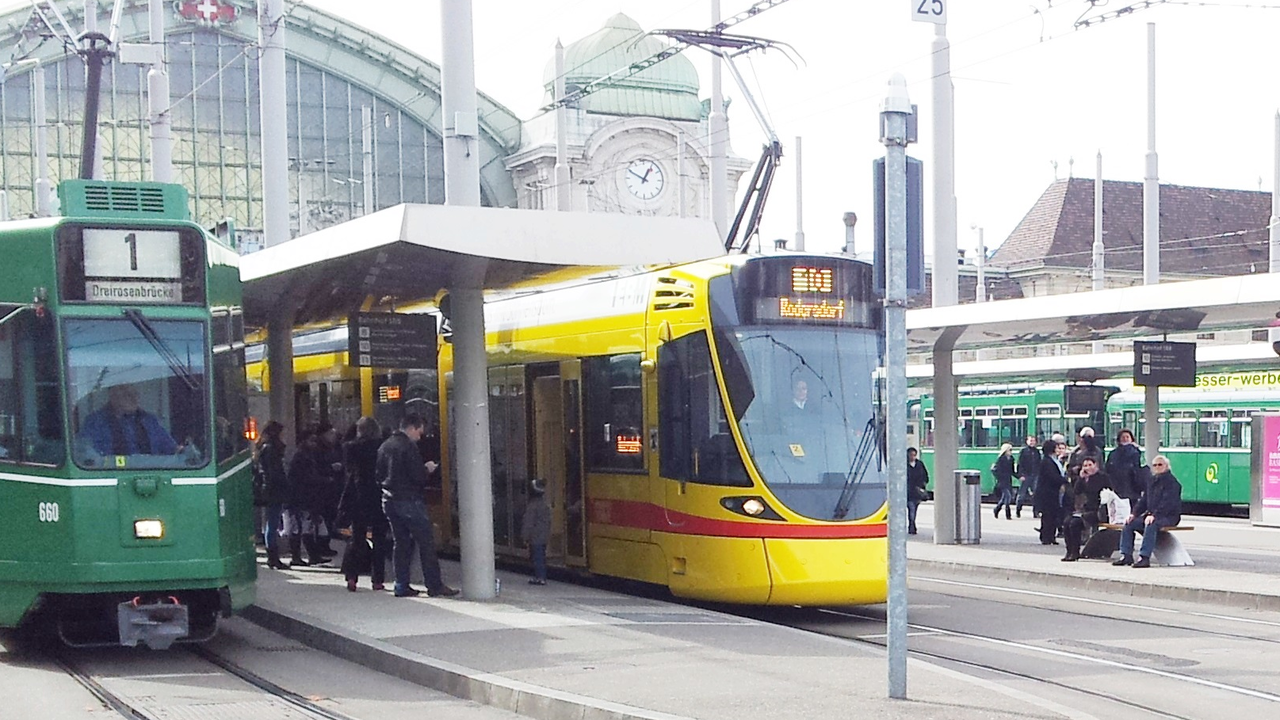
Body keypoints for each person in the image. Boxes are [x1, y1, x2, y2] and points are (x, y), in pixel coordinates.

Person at [379, 413, 459, 598]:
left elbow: (378, 474)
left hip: (389, 500)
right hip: (409, 500)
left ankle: (401, 584)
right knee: (426, 543)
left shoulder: (385, 446)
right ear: (412, 428)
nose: (420, 437)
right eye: (419, 433)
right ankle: (434, 585)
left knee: (401, 543)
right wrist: (427, 468)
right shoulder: (408, 447)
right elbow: (418, 477)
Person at [340, 417, 390, 592]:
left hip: (357, 495)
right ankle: (377, 580)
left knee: (357, 538)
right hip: (377, 495)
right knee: (379, 538)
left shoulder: (350, 448)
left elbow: (348, 471)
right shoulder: (382, 446)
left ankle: (352, 577)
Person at [1114, 455, 1182, 568]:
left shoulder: (1172, 483)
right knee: (1129, 523)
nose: (1157, 467)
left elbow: (1168, 503)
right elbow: (1144, 501)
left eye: (1160, 464)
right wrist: (1133, 514)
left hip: (1169, 517)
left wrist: (1154, 515)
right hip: (1152, 515)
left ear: (1167, 466)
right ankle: (1126, 555)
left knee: (1151, 525)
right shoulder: (1151, 481)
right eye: (1155, 465)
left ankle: (1144, 557)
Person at [79, 384, 179, 456]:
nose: (132, 398)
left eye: (134, 394)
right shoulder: (95, 422)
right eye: (126, 394)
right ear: (112, 395)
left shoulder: (150, 421)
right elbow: (86, 455)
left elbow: (172, 450)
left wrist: (183, 452)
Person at [285, 429, 327, 567]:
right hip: (299, 497)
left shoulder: (307, 455)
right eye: (311, 440)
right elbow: (303, 478)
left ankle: (313, 555)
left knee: (307, 527)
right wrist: (323, 480)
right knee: (298, 527)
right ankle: (297, 556)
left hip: (305, 496)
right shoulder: (301, 456)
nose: (314, 443)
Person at [1062, 457, 1111, 562]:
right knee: (1067, 522)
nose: (1087, 468)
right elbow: (1076, 491)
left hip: (1099, 511)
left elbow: (1104, 493)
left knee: (1074, 523)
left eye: (1090, 465)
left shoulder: (1103, 477)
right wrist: (1081, 479)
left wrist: (1090, 479)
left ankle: (1075, 552)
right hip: (1087, 509)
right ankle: (1069, 551)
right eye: (1085, 465)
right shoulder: (1084, 478)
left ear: (1095, 466)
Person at [255, 420, 289, 570]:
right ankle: (272, 556)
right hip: (273, 490)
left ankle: (273, 555)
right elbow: (274, 473)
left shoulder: (266, 448)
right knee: (272, 522)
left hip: (271, 489)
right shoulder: (271, 449)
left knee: (272, 522)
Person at [1034, 439, 1066, 545]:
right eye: (1056, 447)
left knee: (1053, 514)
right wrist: (1065, 480)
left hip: (1053, 492)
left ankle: (1051, 536)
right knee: (1048, 515)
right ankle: (1046, 537)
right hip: (1047, 492)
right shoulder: (1047, 461)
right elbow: (1052, 476)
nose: (1058, 449)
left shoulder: (1054, 460)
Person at [521, 478, 552, 585]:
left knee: (537, 557)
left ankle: (540, 577)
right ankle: (541, 576)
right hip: (543, 535)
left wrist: (524, 536)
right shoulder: (545, 505)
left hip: (535, 536)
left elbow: (528, 523)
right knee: (541, 556)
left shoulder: (532, 506)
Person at [1105, 428, 1143, 502]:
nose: (1125, 439)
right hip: (1118, 487)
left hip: (1131, 487)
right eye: (1123, 437)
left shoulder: (1136, 453)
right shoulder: (1113, 454)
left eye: (1127, 437)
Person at [1015, 435, 1041, 518]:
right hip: (1026, 475)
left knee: (1036, 494)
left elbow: (1039, 463)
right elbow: (1020, 464)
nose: (1032, 442)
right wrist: (1020, 475)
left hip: (1035, 474)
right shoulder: (1023, 451)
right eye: (1030, 441)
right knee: (1022, 494)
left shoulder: (1037, 451)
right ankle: (1018, 509)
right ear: (1027, 441)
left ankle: (1035, 512)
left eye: (1033, 441)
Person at [906, 447, 929, 535]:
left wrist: (923, 484)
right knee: (911, 508)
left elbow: (925, 476)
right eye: (911, 455)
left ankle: (912, 524)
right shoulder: (904, 464)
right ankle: (912, 525)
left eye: (914, 455)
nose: (913, 457)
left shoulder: (919, 464)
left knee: (914, 508)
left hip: (917, 492)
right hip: (909, 491)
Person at [991, 443, 1016, 520]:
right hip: (1002, 481)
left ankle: (996, 509)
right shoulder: (1001, 459)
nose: (1011, 451)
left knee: (1004, 498)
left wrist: (1019, 476)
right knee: (1008, 497)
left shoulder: (1011, 459)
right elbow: (995, 470)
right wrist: (999, 477)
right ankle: (1008, 514)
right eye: (1010, 450)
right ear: (1005, 450)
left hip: (1008, 480)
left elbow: (1012, 471)